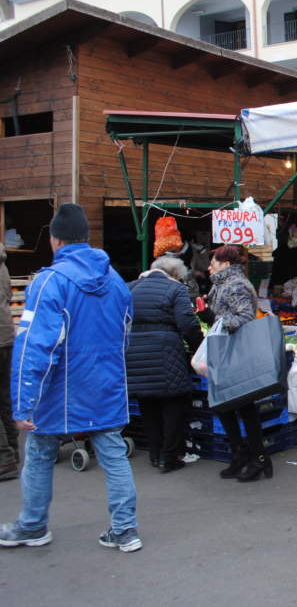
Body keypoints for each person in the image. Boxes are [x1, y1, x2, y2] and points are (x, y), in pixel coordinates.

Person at [0, 203, 141, 551]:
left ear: (55, 240)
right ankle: (125, 529)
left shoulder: (49, 281)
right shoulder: (117, 282)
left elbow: (35, 347)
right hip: (106, 382)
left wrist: (23, 403)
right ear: (86, 237)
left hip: (59, 388)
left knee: (39, 452)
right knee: (113, 453)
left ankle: (33, 525)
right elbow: (126, 335)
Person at [201, 244, 272, 482]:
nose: (209, 266)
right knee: (223, 405)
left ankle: (258, 458)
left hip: (237, 352)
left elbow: (244, 317)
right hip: (224, 351)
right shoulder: (221, 284)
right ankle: (240, 454)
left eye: (214, 262)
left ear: (226, 264)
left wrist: (217, 320)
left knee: (244, 406)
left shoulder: (237, 284)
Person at [125, 256, 202, 473]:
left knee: (148, 405)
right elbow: (187, 323)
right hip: (166, 350)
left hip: (135, 352)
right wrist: (199, 347)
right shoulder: (175, 289)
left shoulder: (129, 288)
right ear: (175, 274)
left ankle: (155, 454)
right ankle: (171, 457)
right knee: (173, 404)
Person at [0, 244, 18, 481]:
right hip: (5, 335)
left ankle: (4, 459)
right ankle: (13, 453)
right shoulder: (2, 263)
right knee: (4, 398)